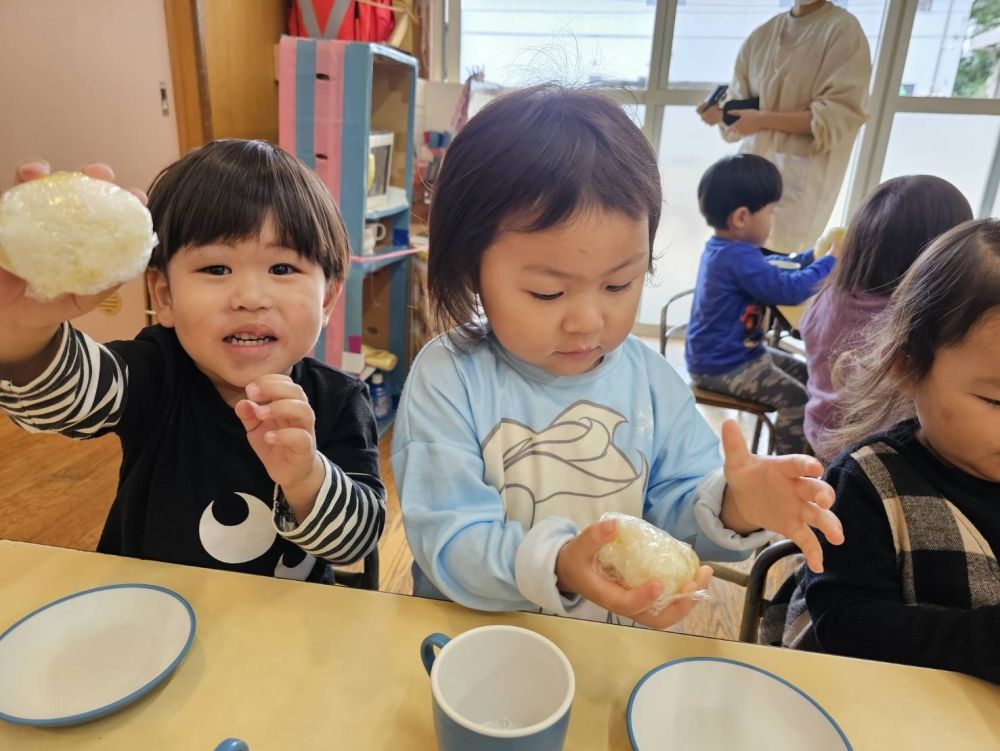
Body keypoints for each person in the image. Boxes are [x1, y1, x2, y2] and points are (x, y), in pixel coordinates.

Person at [392, 85, 842, 629]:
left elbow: (678, 514)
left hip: (608, 649)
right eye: (547, 293)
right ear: (471, 270)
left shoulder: (651, 383)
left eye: (619, 284)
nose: (588, 319)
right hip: (469, 645)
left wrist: (736, 506)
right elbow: (450, 539)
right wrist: (559, 564)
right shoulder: (450, 378)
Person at [0, 140, 385, 582]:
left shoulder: (338, 400)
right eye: (216, 269)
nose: (250, 299)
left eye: (282, 268)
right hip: (151, 614)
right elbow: (63, 399)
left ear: (328, 299)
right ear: (165, 296)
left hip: (286, 629)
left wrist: (306, 478)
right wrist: (23, 330)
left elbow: (357, 543)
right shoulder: (156, 371)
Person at [769, 219, 1000, 684]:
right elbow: (842, 623)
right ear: (909, 367)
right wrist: (977, 640)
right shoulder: (867, 482)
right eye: (996, 401)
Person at [801, 175, 973, 462]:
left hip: (820, 437)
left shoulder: (831, 293)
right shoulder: (919, 321)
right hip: (875, 461)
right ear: (940, 253)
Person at [685, 154, 836, 456]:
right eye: (770, 212)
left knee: (811, 375)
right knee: (797, 400)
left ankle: (806, 452)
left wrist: (812, 256)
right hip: (723, 366)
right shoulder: (737, 257)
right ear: (741, 217)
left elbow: (777, 264)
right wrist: (832, 262)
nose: (772, 219)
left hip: (739, 355)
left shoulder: (729, 249)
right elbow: (789, 289)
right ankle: (786, 466)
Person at [697, 0, 871, 254]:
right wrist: (722, 116)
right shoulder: (762, 35)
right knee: (732, 264)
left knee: (778, 267)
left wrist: (763, 119)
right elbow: (738, 114)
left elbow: (835, 117)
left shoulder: (843, 31)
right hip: (747, 178)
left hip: (798, 186)